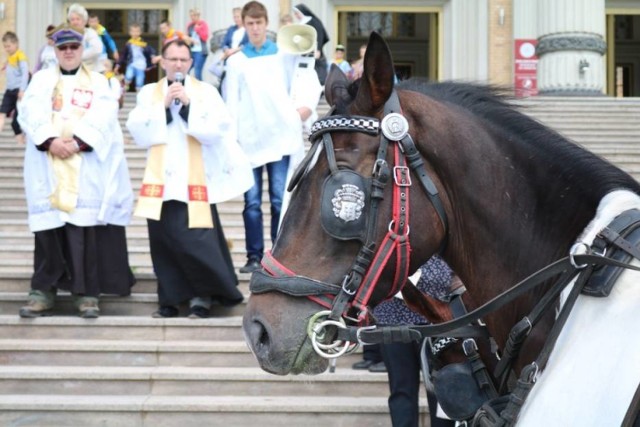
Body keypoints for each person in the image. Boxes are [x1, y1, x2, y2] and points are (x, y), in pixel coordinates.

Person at [126, 39, 254, 319]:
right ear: (163, 61)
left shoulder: (205, 91)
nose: (178, 64)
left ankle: (202, 297)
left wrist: (187, 106)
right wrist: (163, 106)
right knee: (163, 243)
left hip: (194, 179)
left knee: (197, 242)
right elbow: (137, 129)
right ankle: (170, 299)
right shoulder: (149, 92)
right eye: (172, 59)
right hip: (161, 182)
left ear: (190, 62)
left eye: (183, 60)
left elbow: (218, 128)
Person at [17, 24, 135, 319]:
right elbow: (29, 111)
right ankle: (43, 291)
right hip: (48, 164)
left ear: (82, 50)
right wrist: (50, 140)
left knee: (83, 233)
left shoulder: (97, 81)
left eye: (73, 47)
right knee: (49, 230)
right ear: (54, 51)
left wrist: (79, 142)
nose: (68, 52)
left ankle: (87, 294)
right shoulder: (41, 80)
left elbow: (106, 114)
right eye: (62, 48)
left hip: (84, 165)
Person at [224, 1, 322, 273]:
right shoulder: (236, 61)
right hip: (249, 140)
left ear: (266, 24)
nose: (255, 28)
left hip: (280, 137)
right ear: (244, 24)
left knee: (280, 198)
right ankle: (253, 256)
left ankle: (280, 254)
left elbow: (305, 78)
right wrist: (232, 141)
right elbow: (231, 100)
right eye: (250, 23)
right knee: (252, 202)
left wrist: (304, 110)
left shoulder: (284, 54)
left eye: (259, 23)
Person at [373, 256, 457, 427]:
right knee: (401, 388)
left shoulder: (437, 242)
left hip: (436, 323)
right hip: (392, 322)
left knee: (441, 389)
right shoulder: (388, 241)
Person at [0, 31, 28, 144]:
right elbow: (10, 64)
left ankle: (23, 141)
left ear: (16, 44)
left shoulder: (20, 55)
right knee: (1, 113)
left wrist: (22, 89)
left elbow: (25, 73)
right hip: (9, 90)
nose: (7, 49)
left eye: (9, 46)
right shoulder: (10, 56)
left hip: (18, 90)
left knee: (16, 121)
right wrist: (4, 66)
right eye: (5, 47)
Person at [292, 4, 329, 85]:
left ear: (302, 12)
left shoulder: (314, 21)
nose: (296, 16)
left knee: (318, 73)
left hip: (315, 52)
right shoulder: (301, 24)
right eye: (295, 14)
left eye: (297, 13)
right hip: (304, 52)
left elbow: (320, 34)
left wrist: (318, 49)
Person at [117, 23, 156, 92]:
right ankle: (125, 85)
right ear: (130, 33)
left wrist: (152, 56)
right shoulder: (129, 44)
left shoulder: (143, 43)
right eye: (133, 31)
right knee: (128, 76)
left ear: (140, 32)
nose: (135, 33)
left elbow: (150, 50)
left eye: (137, 31)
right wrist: (118, 64)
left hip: (141, 65)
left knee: (139, 82)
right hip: (132, 64)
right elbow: (123, 55)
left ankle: (139, 94)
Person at [67, 3, 104, 73]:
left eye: (78, 19)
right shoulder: (67, 36)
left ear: (84, 21)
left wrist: (77, 56)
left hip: (93, 71)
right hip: (74, 72)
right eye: (72, 19)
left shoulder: (90, 33)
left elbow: (97, 49)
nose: (75, 22)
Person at [185, 8, 209, 80]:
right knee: (186, 69)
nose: (192, 18)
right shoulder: (190, 25)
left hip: (200, 51)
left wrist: (198, 29)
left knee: (197, 72)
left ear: (198, 15)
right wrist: (189, 40)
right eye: (191, 16)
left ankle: (200, 89)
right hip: (192, 51)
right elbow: (187, 37)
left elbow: (205, 37)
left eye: (194, 16)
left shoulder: (203, 24)